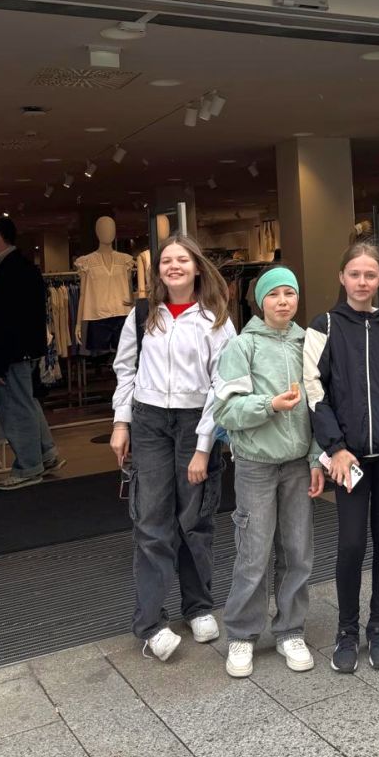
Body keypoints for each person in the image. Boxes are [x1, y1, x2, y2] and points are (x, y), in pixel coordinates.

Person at [111, 233, 236, 662]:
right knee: (151, 520)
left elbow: (224, 385)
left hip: (195, 422)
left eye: (182, 259)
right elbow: (125, 369)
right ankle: (150, 623)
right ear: (158, 270)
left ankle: (198, 606)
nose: (174, 266)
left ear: (197, 267)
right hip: (148, 422)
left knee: (195, 518)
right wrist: (121, 422)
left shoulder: (216, 318)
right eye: (167, 260)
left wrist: (204, 445)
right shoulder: (142, 314)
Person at [304, 242, 379, 673]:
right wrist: (334, 447)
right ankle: (346, 630)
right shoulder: (324, 325)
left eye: (370, 275)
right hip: (346, 456)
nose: (363, 282)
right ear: (342, 277)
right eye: (355, 274)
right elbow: (314, 390)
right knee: (351, 542)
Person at [213, 266, 324, 678]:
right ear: (260, 301)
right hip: (255, 465)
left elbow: (321, 406)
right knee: (253, 553)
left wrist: (316, 458)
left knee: (298, 551)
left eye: (289, 294)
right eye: (274, 294)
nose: (282, 301)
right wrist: (269, 405)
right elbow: (225, 410)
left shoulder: (308, 343)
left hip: (297, 465)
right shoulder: (242, 346)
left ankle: (290, 629)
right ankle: (242, 634)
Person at [0, 216, 65, 490]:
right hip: (25, 350)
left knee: (16, 409)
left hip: (14, 353)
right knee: (27, 403)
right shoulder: (24, 267)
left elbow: (7, 320)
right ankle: (45, 453)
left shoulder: (10, 271)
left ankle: (28, 466)